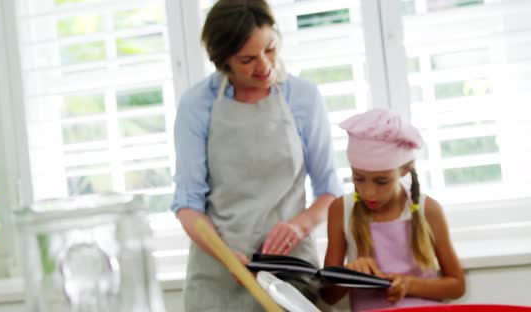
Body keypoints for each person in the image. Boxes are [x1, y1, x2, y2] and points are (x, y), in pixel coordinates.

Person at [171, 0, 343, 311]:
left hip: (288, 275)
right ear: (223, 61)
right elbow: (187, 205)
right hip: (218, 278)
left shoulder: (303, 98)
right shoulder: (197, 105)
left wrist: (299, 226)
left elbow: (330, 191)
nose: (264, 66)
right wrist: (226, 256)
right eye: (247, 59)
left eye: (271, 49)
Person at [322, 108, 465, 311]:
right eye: (359, 178)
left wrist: (408, 284)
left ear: (405, 170)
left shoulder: (428, 209)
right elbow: (327, 296)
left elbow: (457, 286)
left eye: (382, 182)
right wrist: (348, 275)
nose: (369, 193)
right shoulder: (340, 210)